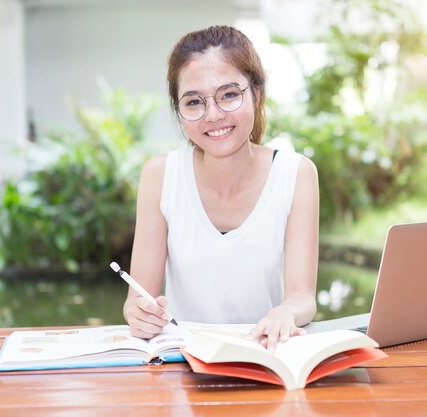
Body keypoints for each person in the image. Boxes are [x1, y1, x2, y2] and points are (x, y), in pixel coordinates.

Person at [123, 25, 319, 351]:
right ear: (179, 111)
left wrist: (286, 312)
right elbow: (137, 298)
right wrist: (138, 313)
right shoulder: (160, 176)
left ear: (256, 94)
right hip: (184, 365)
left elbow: (303, 298)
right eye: (193, 102)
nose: (213, 115)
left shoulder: (295, 173)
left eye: (229, 94)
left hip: (267, 359)